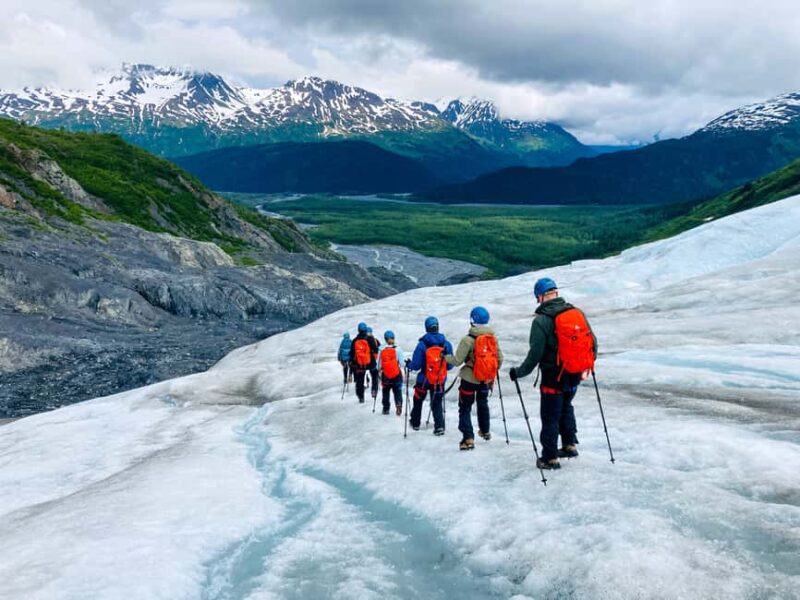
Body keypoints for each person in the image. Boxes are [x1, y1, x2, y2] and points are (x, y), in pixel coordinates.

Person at [509, 278, 597, 470]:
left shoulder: (541, 320)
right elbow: (593, 342)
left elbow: (535, 354)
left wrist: (519, 372)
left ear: (540, 296)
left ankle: (550, 458)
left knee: (550, 415)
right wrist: (585, 363)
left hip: (553, 376)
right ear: (556, 292)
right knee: (567, 406)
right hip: (575, 372)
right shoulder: (576, 312)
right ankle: (569, 445)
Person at [445, 306, 503, 451]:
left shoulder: (468, 339)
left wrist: (445, 358)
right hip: (485, 380)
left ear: (472, 320)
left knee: (465, 408)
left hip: (469, 380)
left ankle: (468, 438)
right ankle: (485, 431)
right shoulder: (492, 339)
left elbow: (458, 360)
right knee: (483, 404)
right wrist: (489, 371)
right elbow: (500, 359)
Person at [406, 316, 453, 435]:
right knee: (436, 402)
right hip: (439, 380)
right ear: (437, 327)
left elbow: (416, 365)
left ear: (426, 328)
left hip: (424, 379)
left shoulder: (422, 344)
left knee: (418, 400)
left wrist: (409, 365)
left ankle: (415, 423)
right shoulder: (446, 344)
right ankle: (439, 426)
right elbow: (450, 365)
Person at [350, 322, 380, 403]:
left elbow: (352, 353)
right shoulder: (370, 339)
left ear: (358, 330)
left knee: (360, 379)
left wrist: (353, 363)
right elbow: (376, 349)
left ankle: (361, 396)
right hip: (371, 363)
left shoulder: (355, 340)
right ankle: (374, 390)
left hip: (360, 364)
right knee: (374, 375)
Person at [378, 330, 405, 416]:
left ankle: (386, 409)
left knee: (385, 391)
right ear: (393, 338)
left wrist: (379, 370)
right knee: (397, 390)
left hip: (385, 375)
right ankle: (398, 403)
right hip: (396, 374)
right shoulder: (398, 349)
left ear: (385, 339)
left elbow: (378, 364)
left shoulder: (381, 349)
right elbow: (402, 364)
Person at [366, 327, 381, 400]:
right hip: (372, 361)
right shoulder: (375, 340)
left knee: (364, 374)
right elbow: (379, 349)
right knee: (374, 376)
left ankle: (365, 385)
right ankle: (374, 390)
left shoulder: (361, 340)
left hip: (362, 362)